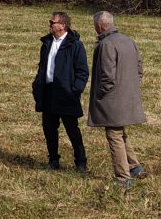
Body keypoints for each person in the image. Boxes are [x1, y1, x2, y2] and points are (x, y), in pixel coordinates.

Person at [88, 11, 148, 190]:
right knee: (120, 133)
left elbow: (107, 76)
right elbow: (139, 69)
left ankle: (123, 178)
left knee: (114, 135)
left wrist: (100, 94)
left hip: (112, 99)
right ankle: (135, 167)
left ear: (100, 26)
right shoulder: (129, 41)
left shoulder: (106, 44)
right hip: (128, 96)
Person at [33, 11, 89, 171]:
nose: (49, 25)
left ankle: (81, 162)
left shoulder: (75, 45)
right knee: (49, 129)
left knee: (72, 129)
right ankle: (53, 160)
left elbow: (82, 72)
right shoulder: (47, 43)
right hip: (48, 92)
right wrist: (37, 85)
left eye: (52, 22)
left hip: (66, 93)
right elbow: (42, 67)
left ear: (62, 25)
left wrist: (74, 91)